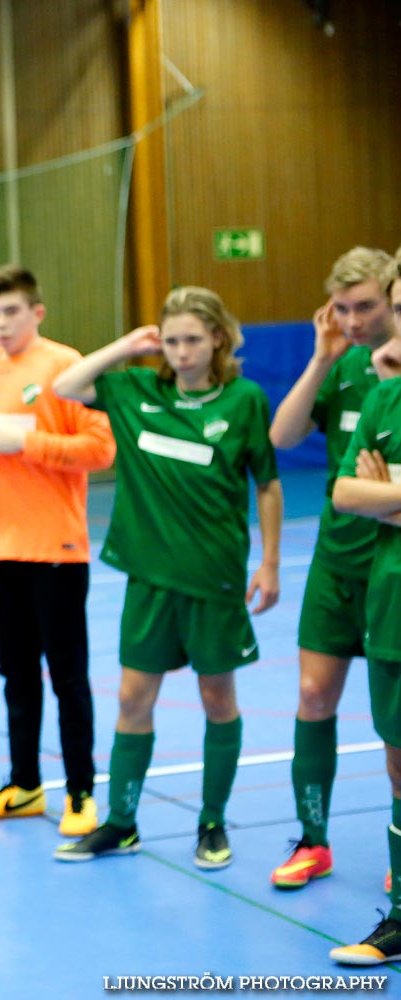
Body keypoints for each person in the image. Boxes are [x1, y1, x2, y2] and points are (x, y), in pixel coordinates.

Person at [51, 286, 282, 869]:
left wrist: (270, 562)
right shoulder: (135, 391)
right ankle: (122, 823)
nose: (180, 352)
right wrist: (128, 346)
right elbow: (66, 386)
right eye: (171, 340)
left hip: (215, 578)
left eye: (193, 340)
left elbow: (269, 485)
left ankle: (211, 822)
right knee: (133, 697)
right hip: (149, 579)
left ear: (218, 341)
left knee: (216, 696)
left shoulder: (245, 400)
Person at [0, 264, 115, 837]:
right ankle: (24, 786)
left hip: (58, 549)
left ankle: (81, 793)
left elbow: (101, 447)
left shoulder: (64, 366)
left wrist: (29, 442)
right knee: (16, 674)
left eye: (11, 312)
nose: (0, 324)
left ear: (36, 312)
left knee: (68, 676)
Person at [267, 247, 399, 889]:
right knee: (315, 696)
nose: (353, 319)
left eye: (367, 306)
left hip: (389, 570)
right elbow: (282, 437)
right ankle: (312, 841)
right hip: (334, 562)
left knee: (394, 724)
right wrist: (320, 358)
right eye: (341, 308)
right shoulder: (343, 365)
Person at [328, 266, 401, 967]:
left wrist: (392, 494)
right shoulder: (385, 397)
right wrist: (379, 498)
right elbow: (347, 491)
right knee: (400, 766)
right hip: (391, 604)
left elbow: (372, 491)